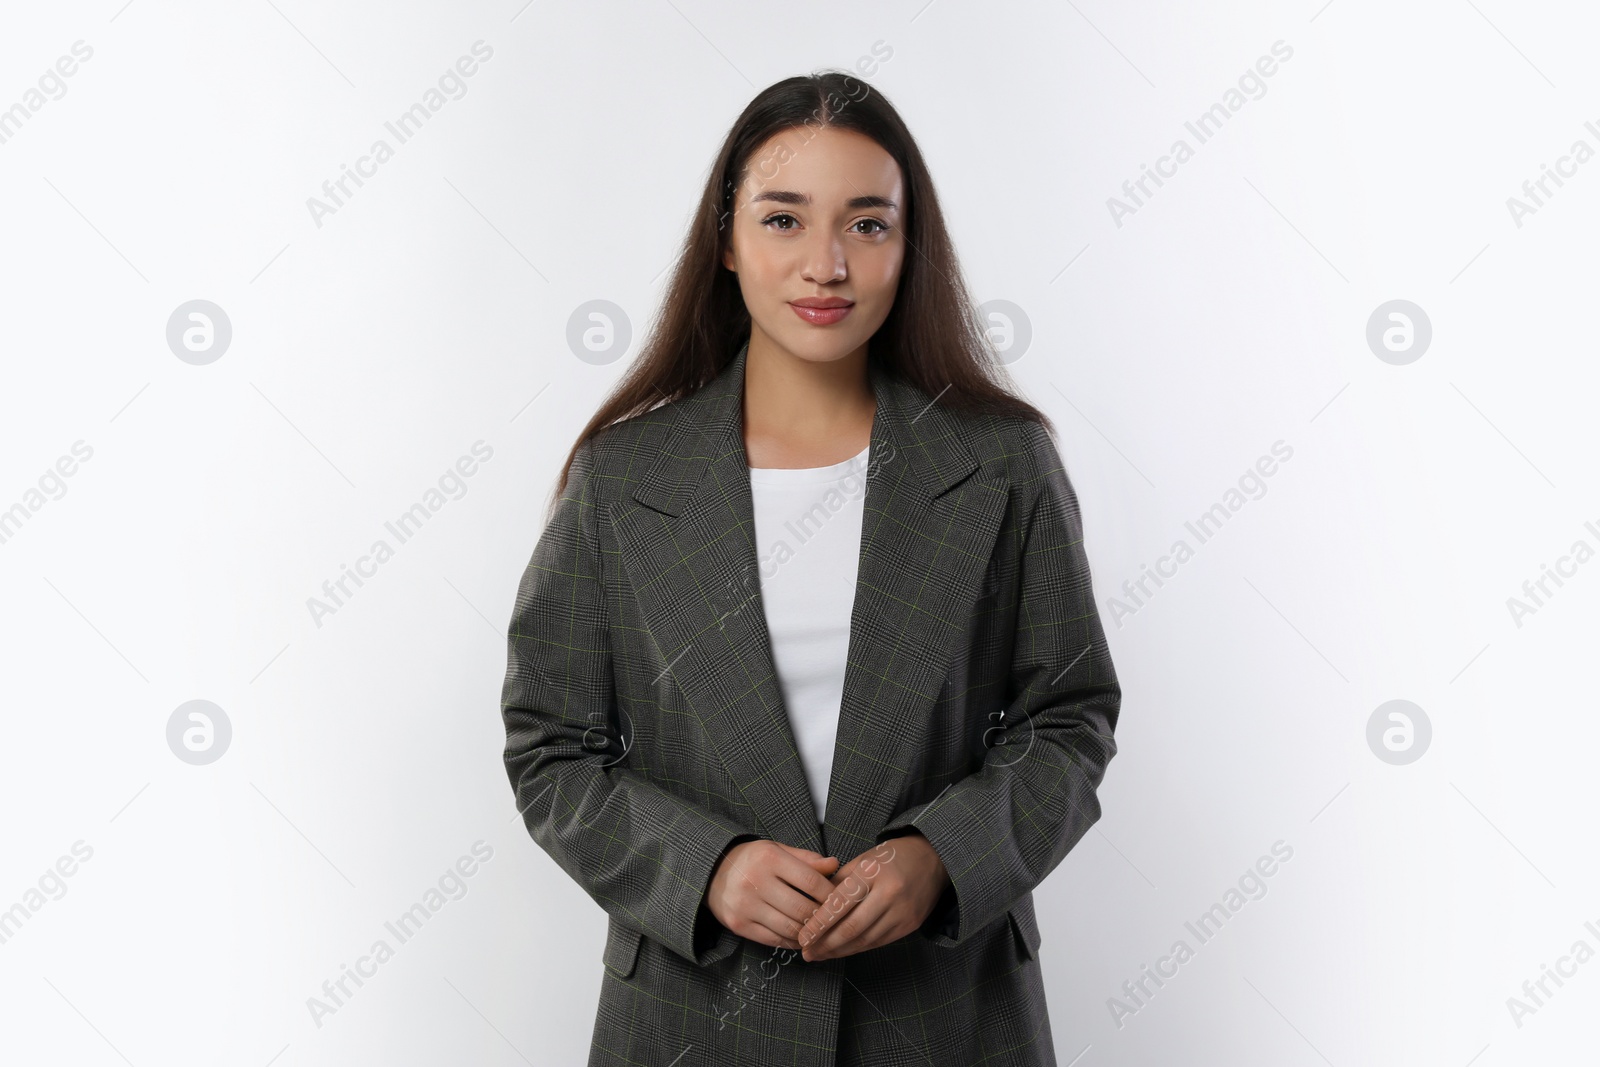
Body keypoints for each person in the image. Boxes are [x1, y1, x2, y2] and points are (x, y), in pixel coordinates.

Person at [501, 69, 1121, 1067]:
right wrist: (704, 867)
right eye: (784, 219)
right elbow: (551, 748)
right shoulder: (622, 479)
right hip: (693, 1020)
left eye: (867, 224)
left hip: (946, 1017)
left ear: (909, 245)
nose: (825, 264)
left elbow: (1069, 720)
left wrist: (940, 857)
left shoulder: (1003, 464)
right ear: (726, 239)